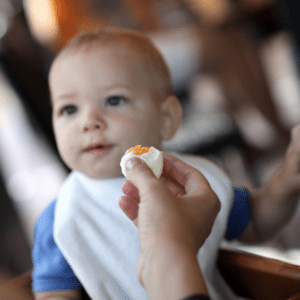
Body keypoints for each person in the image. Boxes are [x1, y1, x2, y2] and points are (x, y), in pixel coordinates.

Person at [32, 27, 300, 300]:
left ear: (167, 118)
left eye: (114, 100)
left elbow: (254, 225)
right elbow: (54, 294)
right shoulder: (62, 219)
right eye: (69, 109)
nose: (89, 122)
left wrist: (287, 181)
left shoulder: (193, 180)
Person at [119, 153, 218, 300]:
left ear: (168, 129)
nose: (89, 128)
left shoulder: (204, 176)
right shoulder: (72, 210)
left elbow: (254, 225)